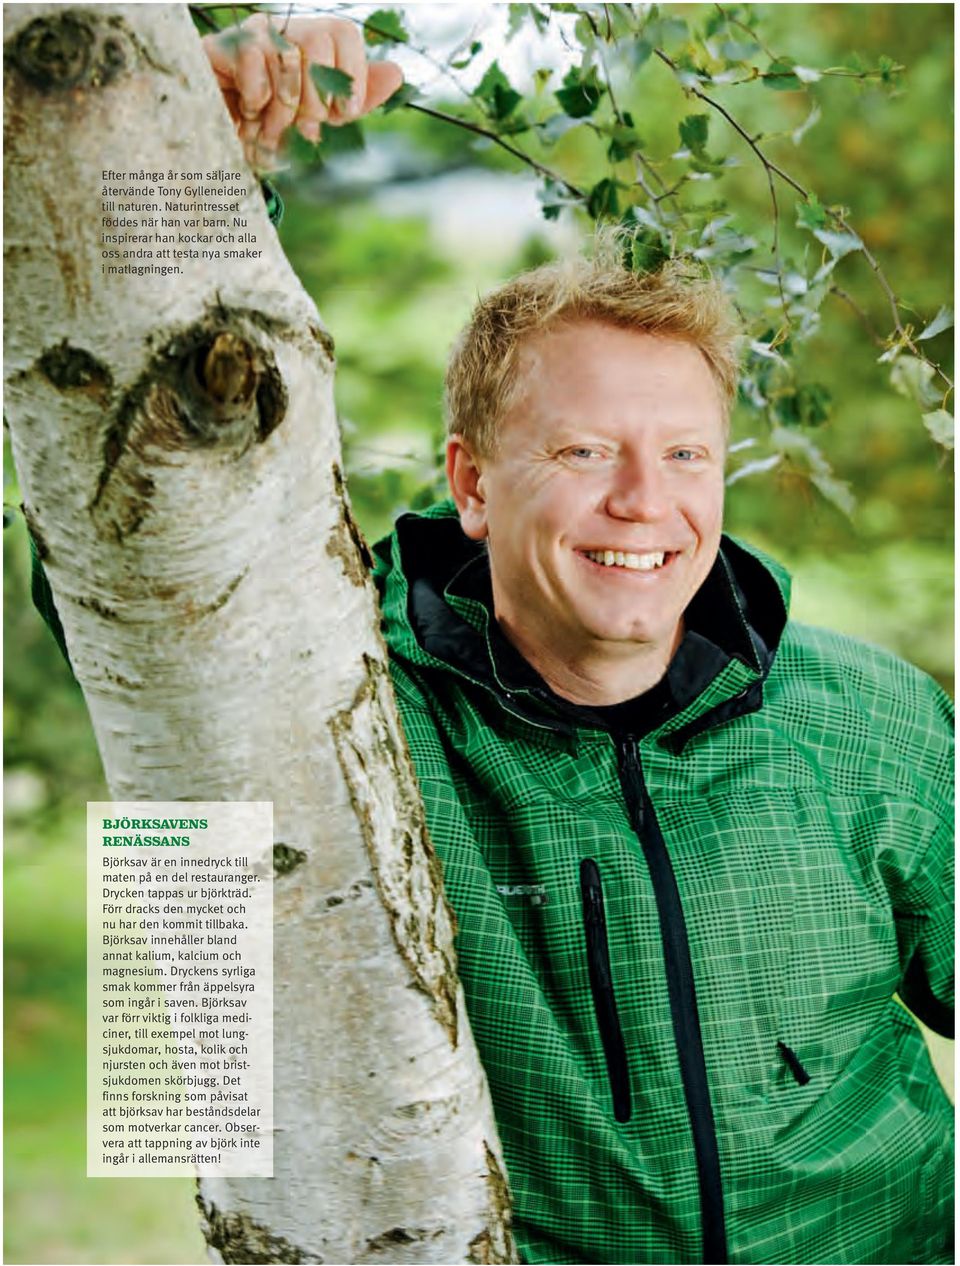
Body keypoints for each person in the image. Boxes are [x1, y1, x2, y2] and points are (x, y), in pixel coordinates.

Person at [38, 16, 956, 1266]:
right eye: (584, 453)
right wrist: (175, 159)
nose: (646, 502)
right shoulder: (359, 712)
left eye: (685, 454)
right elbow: (140, 546)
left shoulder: (877, 720)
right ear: (471, 484)